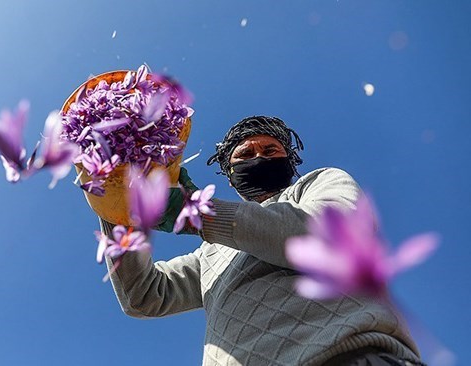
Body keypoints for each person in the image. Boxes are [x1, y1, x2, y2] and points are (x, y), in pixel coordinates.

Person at [99, 116, 423, 366]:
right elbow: (144, 295)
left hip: (348, 356)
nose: (259, 157)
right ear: (230, 173)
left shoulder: (318, 183)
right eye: (246, 154)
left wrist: (201, 212)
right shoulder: (211, 251)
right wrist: (119, 207)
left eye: (270, 151)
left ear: (289, 162)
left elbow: (328, 239)